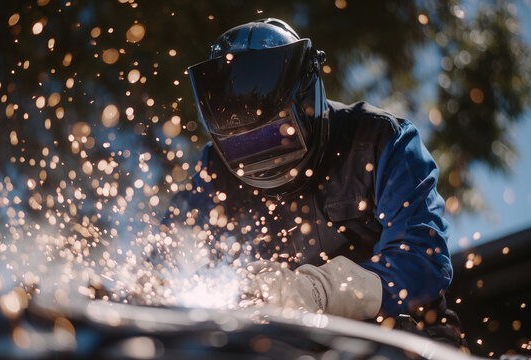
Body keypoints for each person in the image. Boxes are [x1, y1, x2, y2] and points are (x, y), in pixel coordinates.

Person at [162, 18, 463, 346]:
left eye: (277, 134)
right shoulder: (215, 172)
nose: (263, 157)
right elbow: (170, 252)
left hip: (401, 343)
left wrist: (321, 291)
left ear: (306, 101)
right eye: (242, 145)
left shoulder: (379, 139)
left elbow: (422, 261)